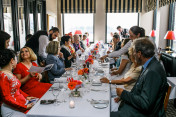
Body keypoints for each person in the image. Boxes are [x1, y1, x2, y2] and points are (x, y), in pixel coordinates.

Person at [113, 38, 168, 117]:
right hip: (136, 109)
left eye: (134, 52)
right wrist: (124, 96)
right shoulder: (148, 65)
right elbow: (138, 90)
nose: (133, 55)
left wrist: (124, 94)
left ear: (139, 53)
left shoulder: (152, 71)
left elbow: (145, 104)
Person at [0, 49, 35, 117]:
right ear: (12, 61)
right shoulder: (3, 75)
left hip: (19, 105)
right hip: (11, 109)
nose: (17, 62)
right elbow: (6, 97)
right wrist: (25, 107)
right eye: (16, 59)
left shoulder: (9, 73)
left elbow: (16, 89)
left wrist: (27, 97)